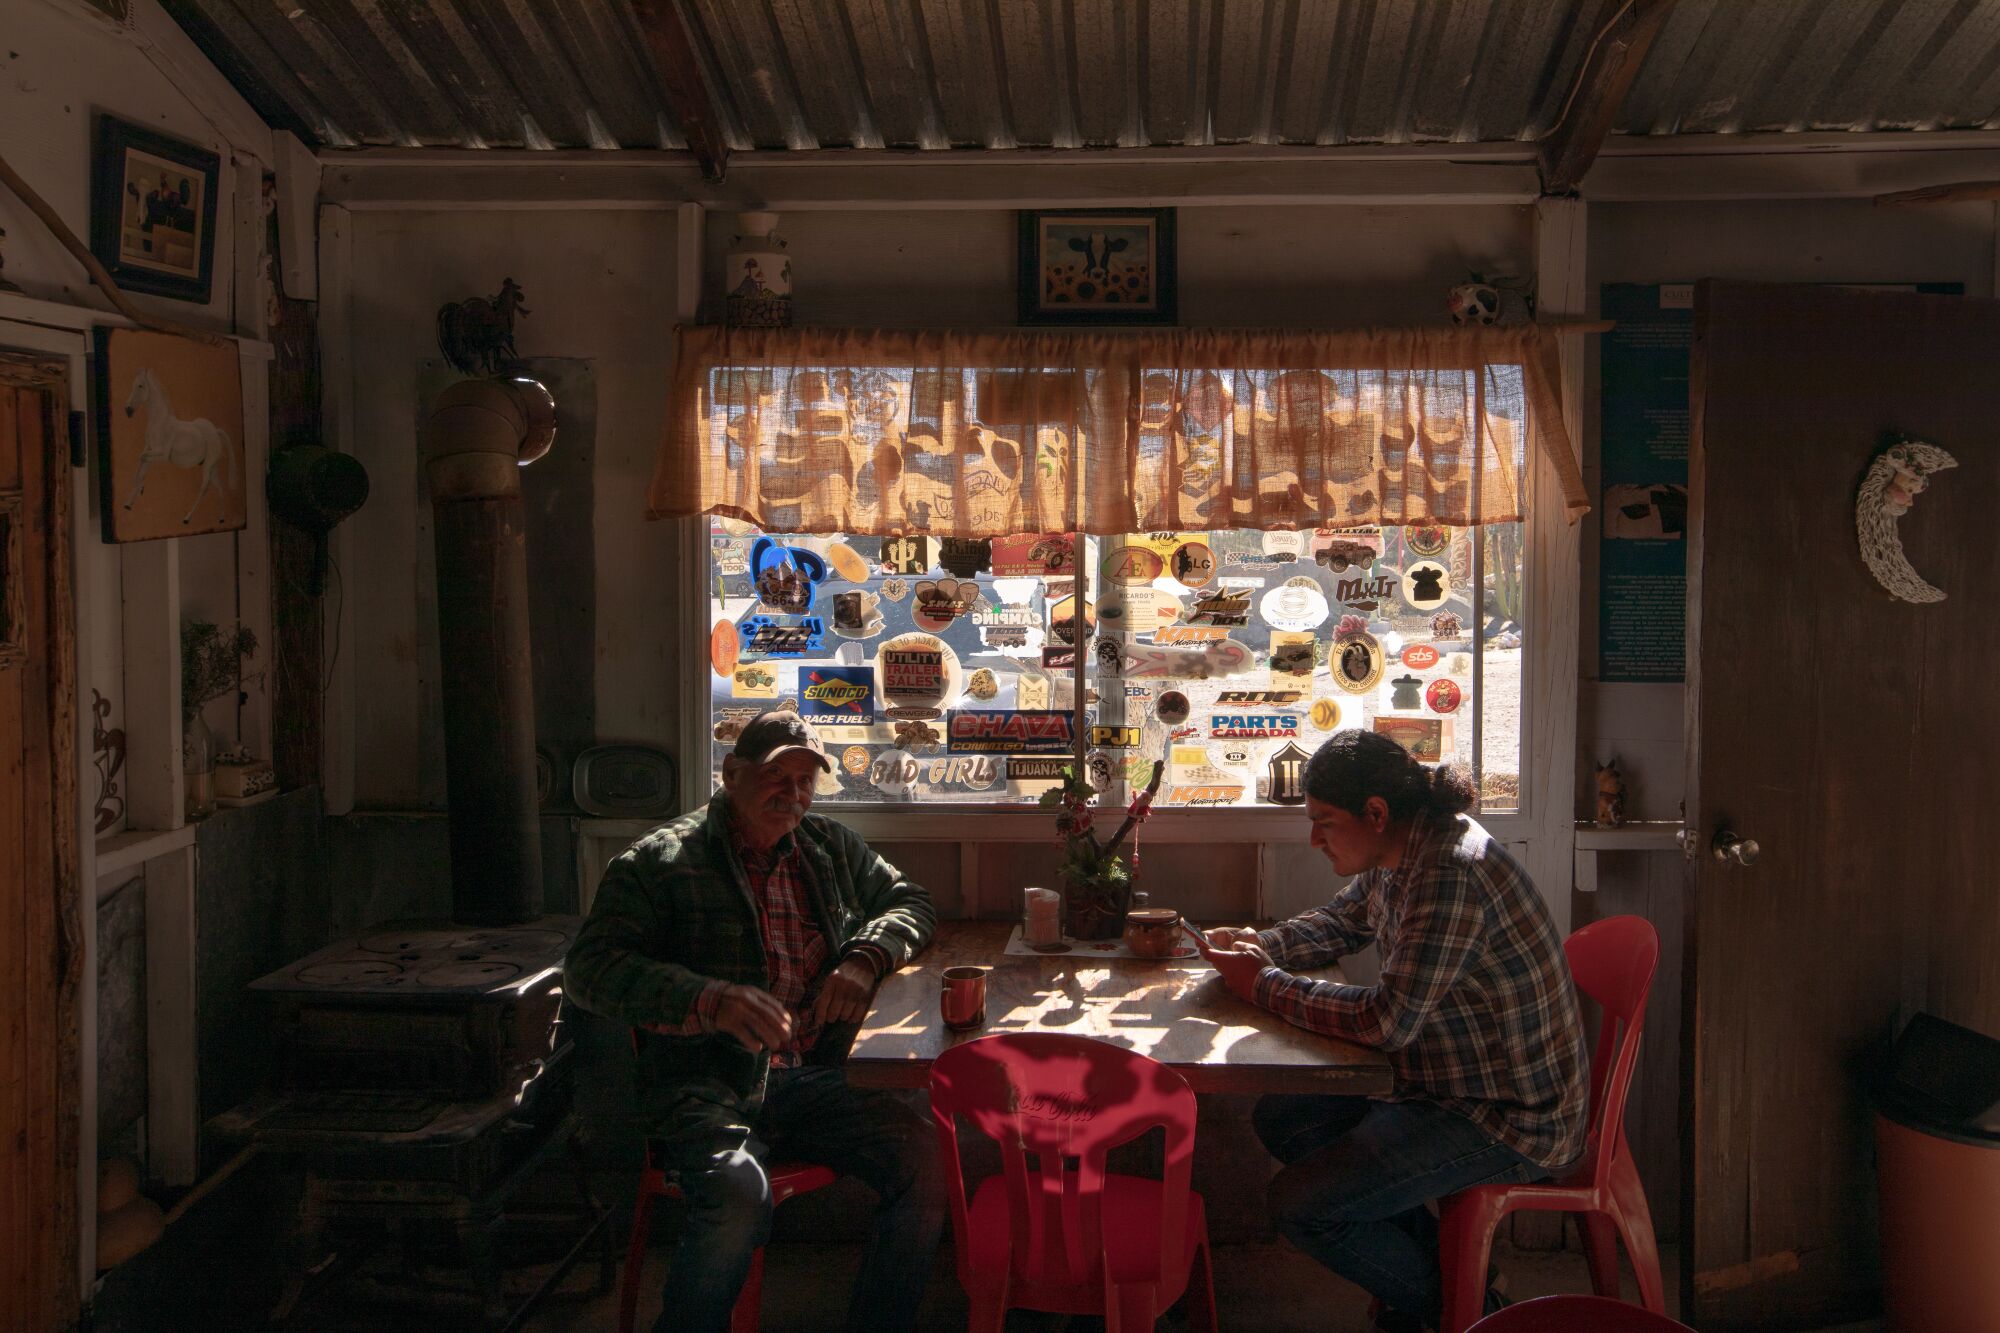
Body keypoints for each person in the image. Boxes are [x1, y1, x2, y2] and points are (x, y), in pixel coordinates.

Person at [565, 711, 944, 1333]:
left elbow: (911, 900)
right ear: (732, 774)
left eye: (804, 782)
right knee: (739, 1196)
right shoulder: (660, 863)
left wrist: (865, 957)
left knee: (927, 1157)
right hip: (703, 1087)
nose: (792, 796)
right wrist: (710, 999)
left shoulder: (826, 846)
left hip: (813, 1076)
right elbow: (588, 970)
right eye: (776, 778)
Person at [1204, 731, 1588, 1332]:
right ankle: (1451, 1279)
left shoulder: (1449, 874)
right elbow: (1343, 921)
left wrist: (1262, 984)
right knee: (1284, 1118)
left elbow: (1387, 1021)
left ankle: (1471, 1314)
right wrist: (1262, 946)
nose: (1313, 839)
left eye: (1325, 822)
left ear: (1376, 814)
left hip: (1509, 1117)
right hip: (1444, 1088)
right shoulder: (1400, 852)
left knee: (1302, 1208)